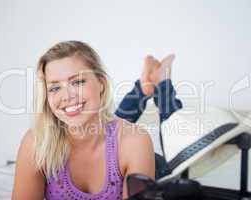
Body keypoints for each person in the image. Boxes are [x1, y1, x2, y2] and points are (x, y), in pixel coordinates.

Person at [12, 41, 155, 200]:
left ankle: (153, 85)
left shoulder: (135, 141)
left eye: (78, 82)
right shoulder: (36, 142)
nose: (67, 96)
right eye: (55, 88)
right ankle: (142, 88)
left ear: (101, 83)